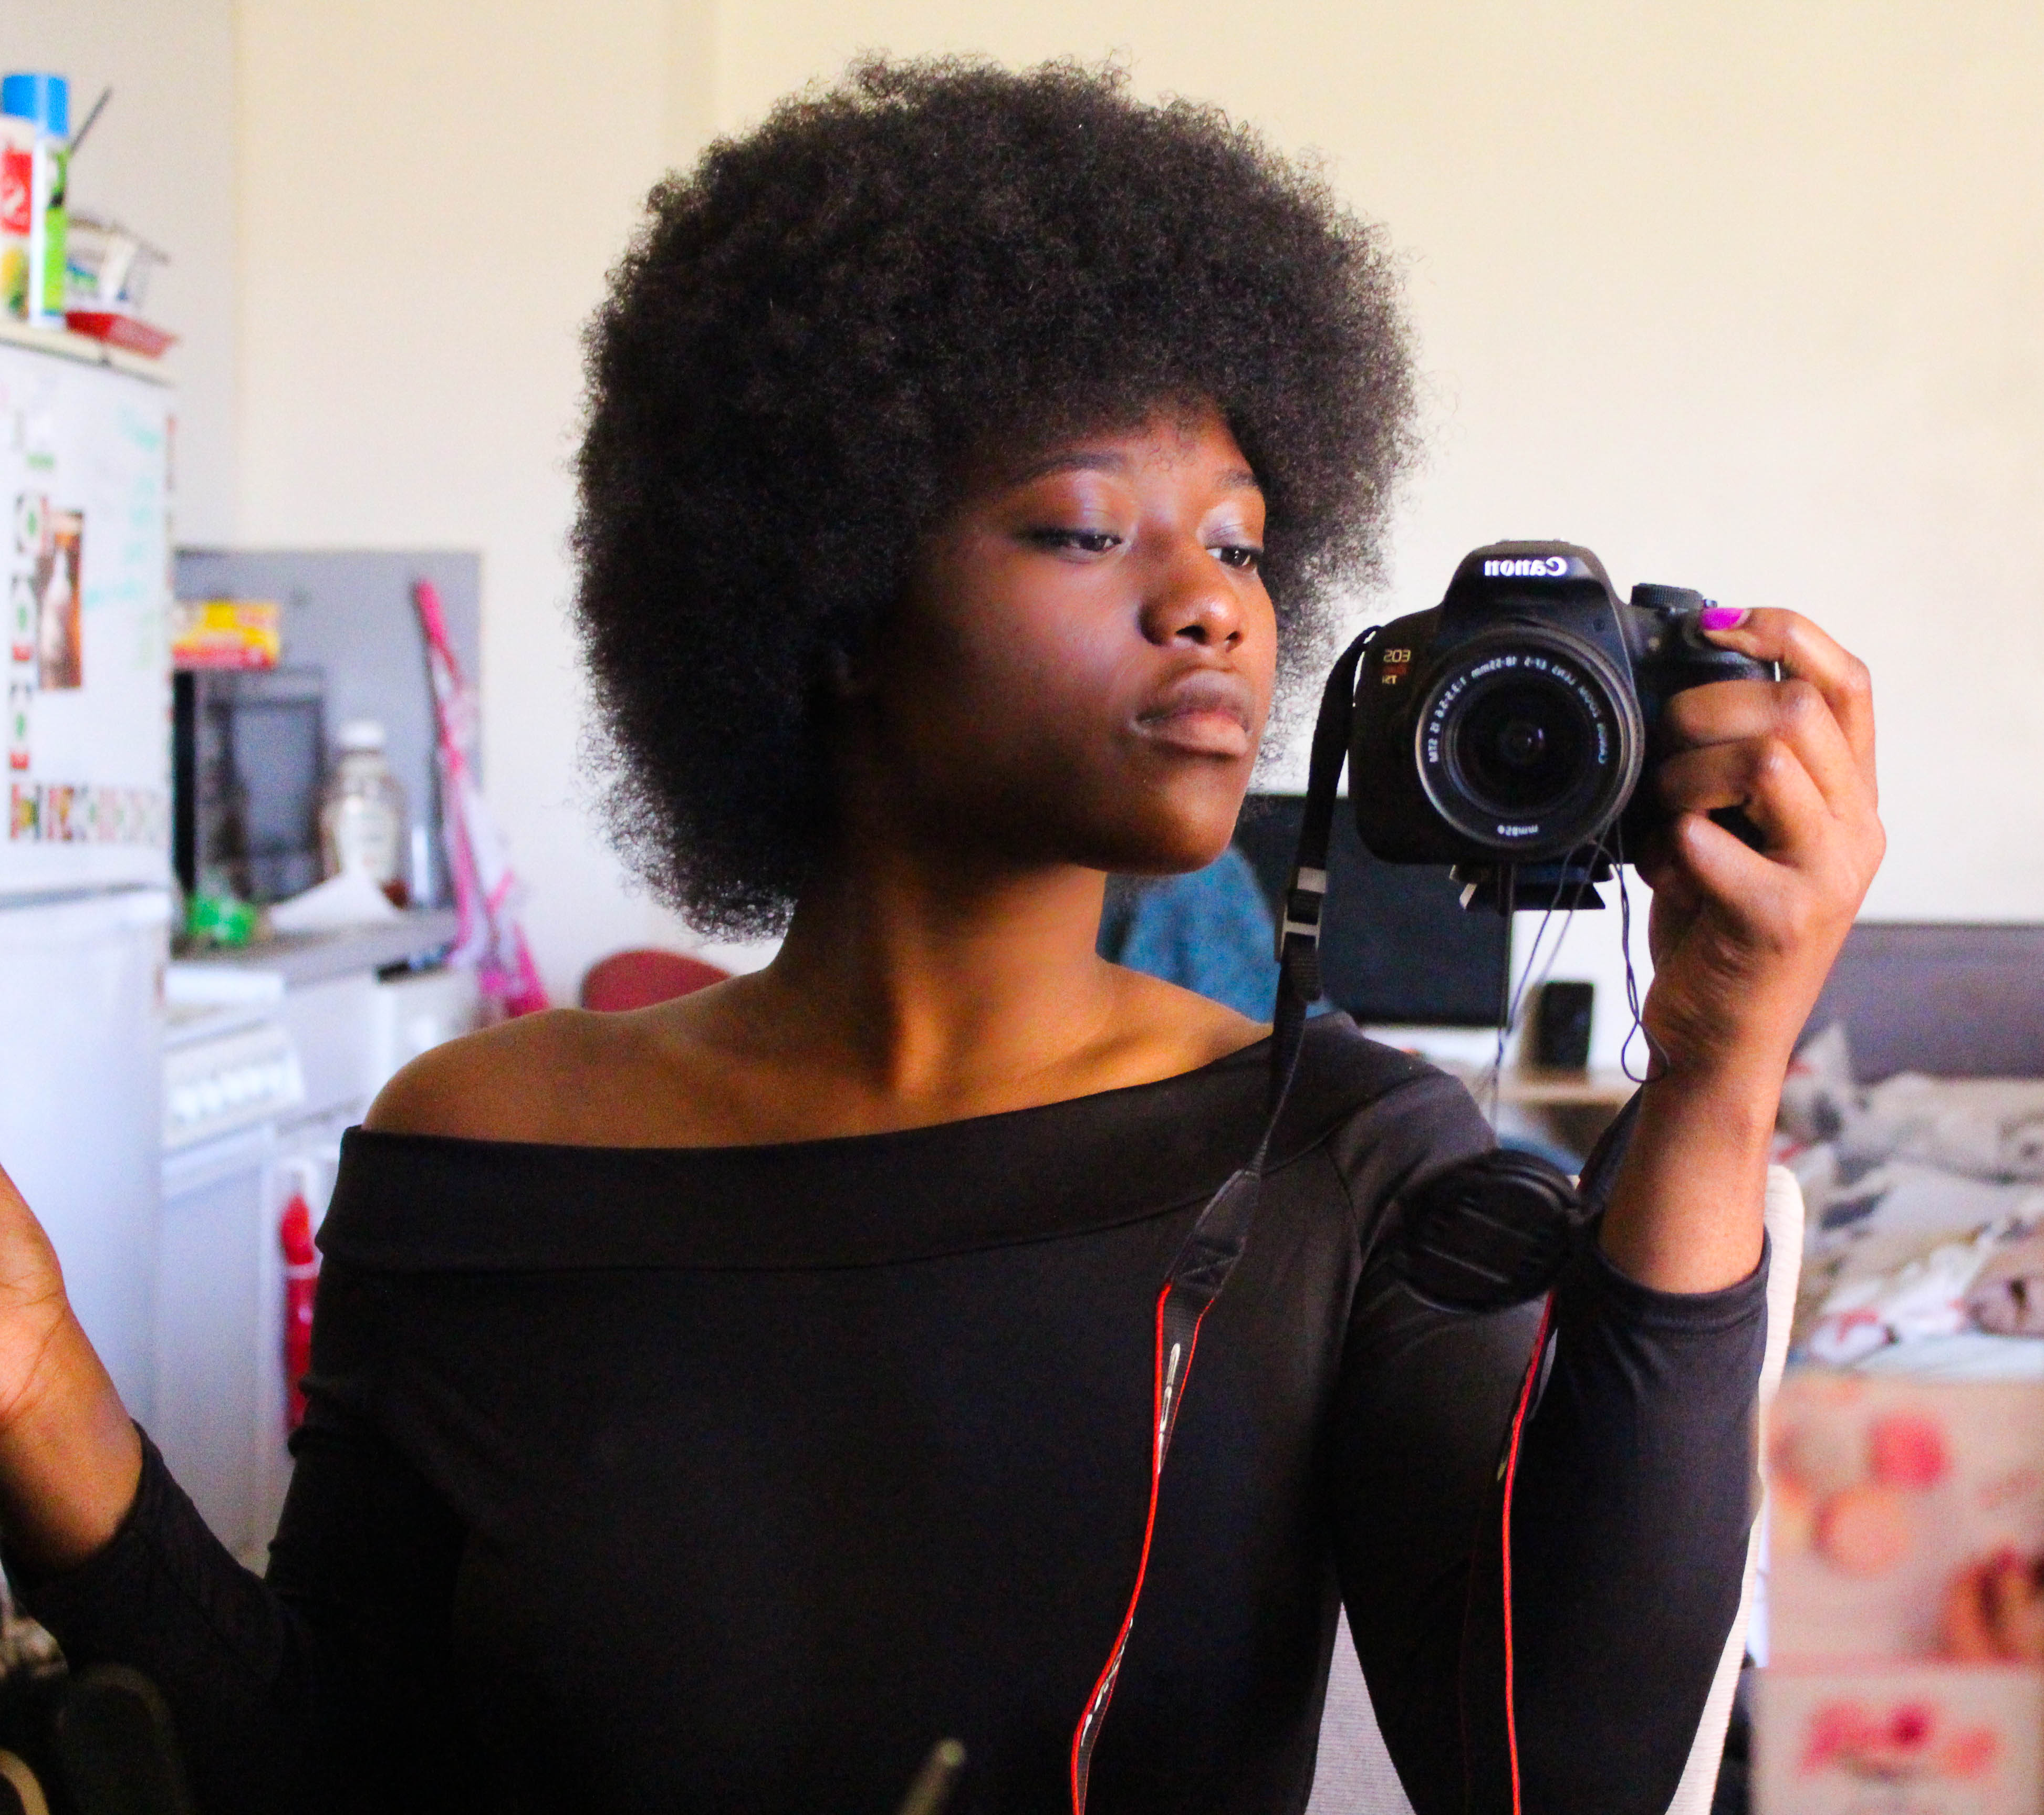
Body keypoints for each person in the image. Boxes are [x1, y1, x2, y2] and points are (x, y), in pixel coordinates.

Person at [0, 58, 1882, 1815]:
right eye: (1085, 531)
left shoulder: (1346, 1163)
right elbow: (316, 1764)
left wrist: (1719, 1071)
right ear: (823, 593)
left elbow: (1566, 1774)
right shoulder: (482, 1144)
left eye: (1239, 544)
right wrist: (41, 1391)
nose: (1214, 610)